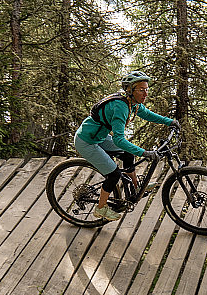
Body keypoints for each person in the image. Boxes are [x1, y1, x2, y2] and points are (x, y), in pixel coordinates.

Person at [74, 71, 179, 221]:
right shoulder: (121, 107)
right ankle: (101, 208)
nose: (145, 93)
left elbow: (148, 114)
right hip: (87, 141)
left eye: (147, 89)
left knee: (128, 155)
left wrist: (169, 121)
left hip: (99, 137)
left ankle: (137, 188)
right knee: (114, 174)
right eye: (141, 90)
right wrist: (144, 152)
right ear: (130, 90)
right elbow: (118, 140)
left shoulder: (133, 103)